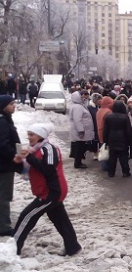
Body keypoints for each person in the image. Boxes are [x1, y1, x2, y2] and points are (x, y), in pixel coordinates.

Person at [13, 123, 81, 256]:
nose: (29, 137)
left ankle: (12, 248)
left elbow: (48, 169)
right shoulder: (34, 150)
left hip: (52, 191)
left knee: (27, 216)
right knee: (59, 219)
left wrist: (29, 157)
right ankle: (73, 247)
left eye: (32, 134)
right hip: (46, 191)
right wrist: (18, 161)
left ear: (41, 136)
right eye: (28, 134)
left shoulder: (49, 149)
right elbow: (26, 170)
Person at [0, 96, 22, 236]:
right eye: (11, 104)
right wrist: (14, 155)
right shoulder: (2, 121)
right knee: (4, 196)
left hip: (5, 164)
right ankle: (4, 227)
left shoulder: (5, 119)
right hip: (4, 165)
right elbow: (3, 144)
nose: (14, 106)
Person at [103, 101, 132, 177]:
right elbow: (128, 130)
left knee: (112, 157)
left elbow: (105, 130)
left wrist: (105, 141)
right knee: (123, 157)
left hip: (111, 138)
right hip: (123, 138)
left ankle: (111, 172)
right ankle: (125, 172)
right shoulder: (125, 117)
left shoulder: (108, 117)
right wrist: (130, 141)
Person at [69, 91, 95, 169]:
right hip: (80, 131)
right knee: (79, 147)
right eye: (82, 96)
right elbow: (78, 120)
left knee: (80, 147)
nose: (84, 98)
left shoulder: (79, 106)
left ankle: (79, 162)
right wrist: (81, 130)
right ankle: (78, 163)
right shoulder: (78, 107)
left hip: (81, 130)